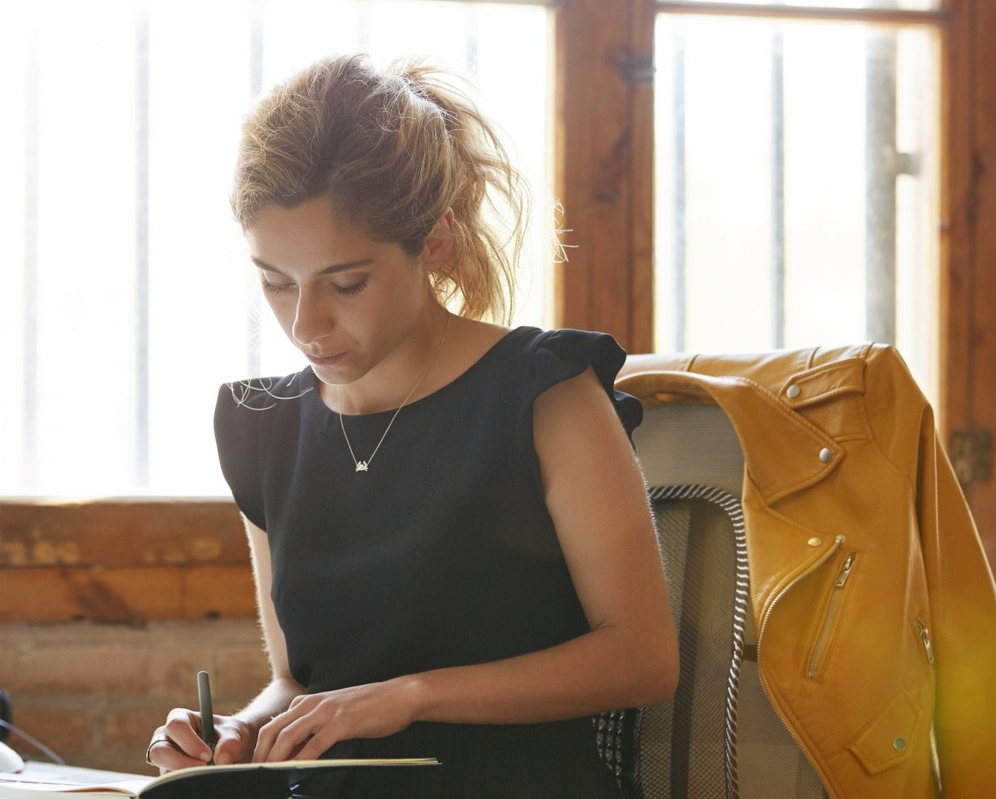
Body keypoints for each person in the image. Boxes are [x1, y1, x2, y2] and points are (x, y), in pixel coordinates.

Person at [146, 53, 678, 798]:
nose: (306, 323)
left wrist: (410, 695)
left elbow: (643, 658)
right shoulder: (260, 427)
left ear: (434, 240)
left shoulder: (544, 393)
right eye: (275, 281)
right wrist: (241, 732)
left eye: (347, 281)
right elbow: (296, 680)